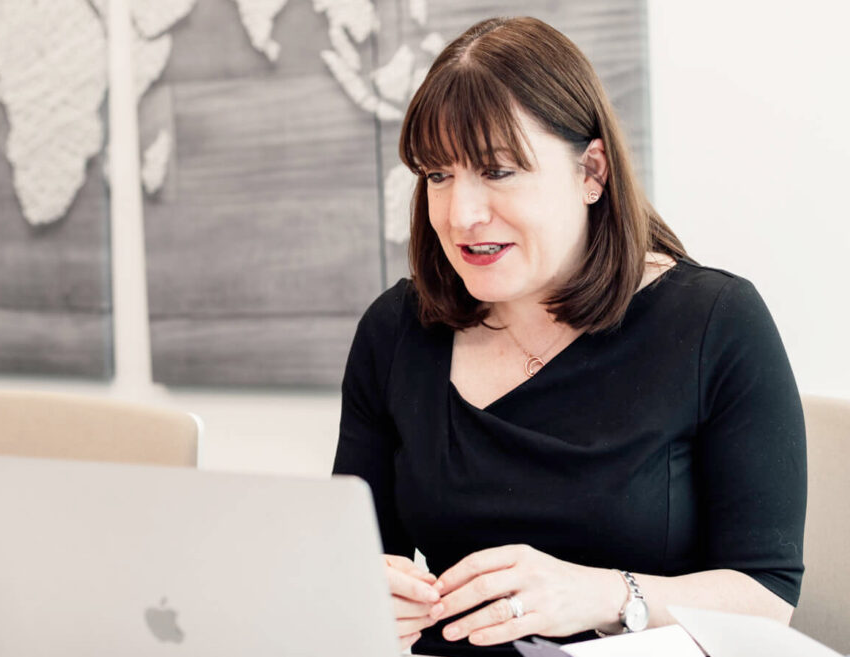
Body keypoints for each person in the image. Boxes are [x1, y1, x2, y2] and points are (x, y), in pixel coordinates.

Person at [332, 16, 806, 656]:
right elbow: (359, 562)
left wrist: (607, 595)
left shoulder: (716, 321)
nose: (460, 215)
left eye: (497, 171)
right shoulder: (395, 331)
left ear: (592, 171)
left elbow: (767, 596)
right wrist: (362, 594)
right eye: (438, 175)